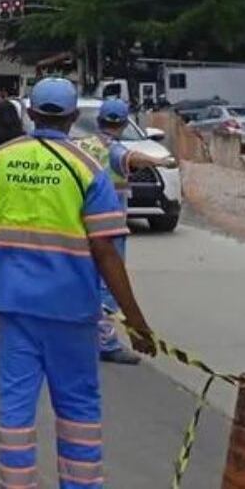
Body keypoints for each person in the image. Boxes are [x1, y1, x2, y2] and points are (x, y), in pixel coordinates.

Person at [0, 77, 154, 489]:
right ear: (71, 118)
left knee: (15, 408)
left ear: (30, 114)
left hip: (11, 307)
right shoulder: (88, 167)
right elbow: (106, 251)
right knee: (78, 409)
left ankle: (16, 483)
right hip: (71, 309)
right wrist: (136, 321)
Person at [78, 97, 177, 364]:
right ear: (122, 123)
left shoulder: (82, 146)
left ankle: (81, 337)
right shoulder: (114, 148)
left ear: (99, 120)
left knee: (85, 283)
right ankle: (106, 343)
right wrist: (161, 162)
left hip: (80, 223)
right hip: (109, 225)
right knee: (107, 288)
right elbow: (132, 158)